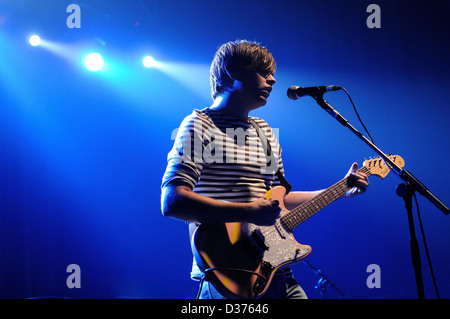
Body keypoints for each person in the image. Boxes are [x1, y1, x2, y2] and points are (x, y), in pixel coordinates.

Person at [160, 40, 369, 299]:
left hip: (275, 269)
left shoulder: (264, 131)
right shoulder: (198, 125)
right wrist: (249, 211)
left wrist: (339, 190)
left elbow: (277, 199)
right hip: (228, 273)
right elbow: (172, 202)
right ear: (234, 72)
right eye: (264, 72)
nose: (273, 80)